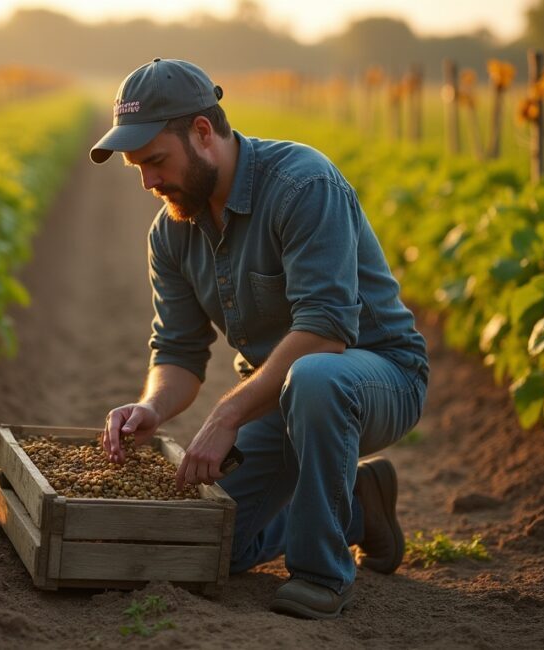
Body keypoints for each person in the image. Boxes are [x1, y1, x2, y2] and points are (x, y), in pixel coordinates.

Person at [94, 59, 429, 619]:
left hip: (378, 377)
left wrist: (226, 418)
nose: (149, 182)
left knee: (317, 376)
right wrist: (152, 406)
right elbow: (178, 352)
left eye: (156, 161)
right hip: (277, 395)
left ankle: (321, 572)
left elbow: (324, 335)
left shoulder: (303, 184)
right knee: (214, 548)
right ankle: (358, 509)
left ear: (203, 132)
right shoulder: (172, 233)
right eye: (137, 168)